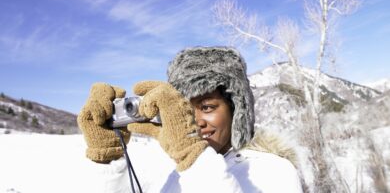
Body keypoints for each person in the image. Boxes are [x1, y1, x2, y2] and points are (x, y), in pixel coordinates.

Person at [77, 46, 303, 192]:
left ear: (237, 109)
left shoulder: (274, 171)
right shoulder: (175, 173)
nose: (195, 121)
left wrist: (192, 156)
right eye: (184, 109)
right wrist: (109, 160)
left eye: (207, 107)